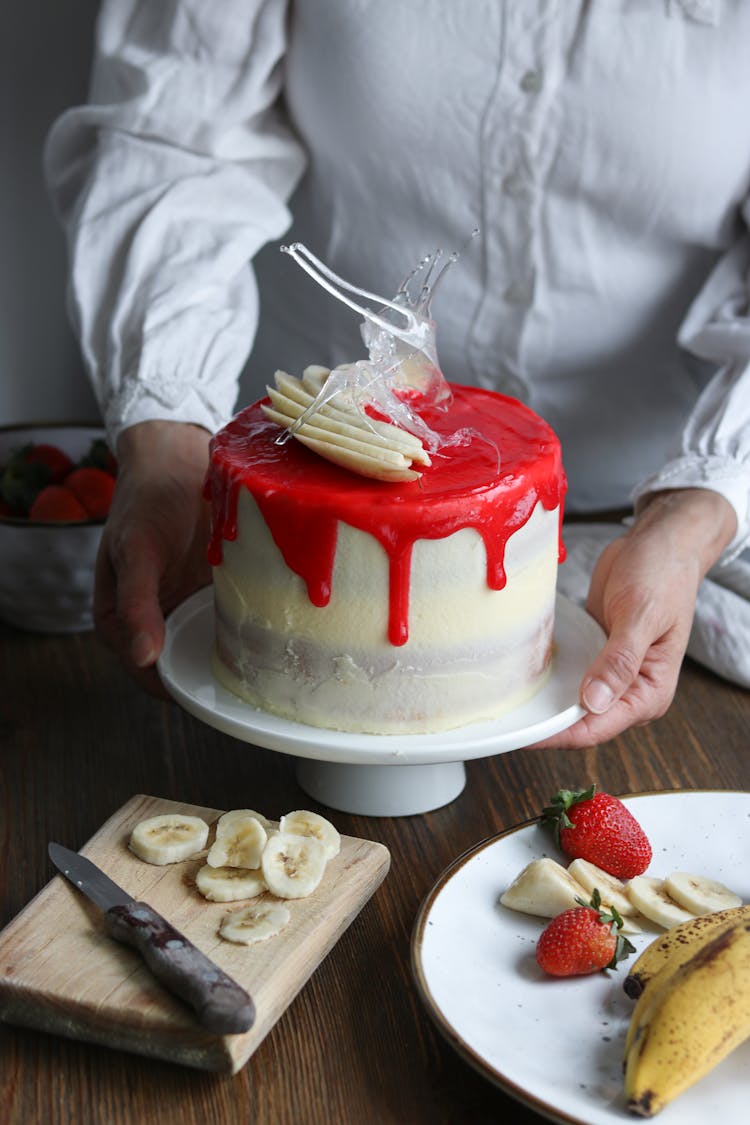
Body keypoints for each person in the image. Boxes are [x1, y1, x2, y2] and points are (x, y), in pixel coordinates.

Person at [44, 0, 750, 746]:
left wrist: (694, 512)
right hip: (274, 489)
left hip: (669, 541)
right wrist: (164, 439)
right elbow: (175, 143)